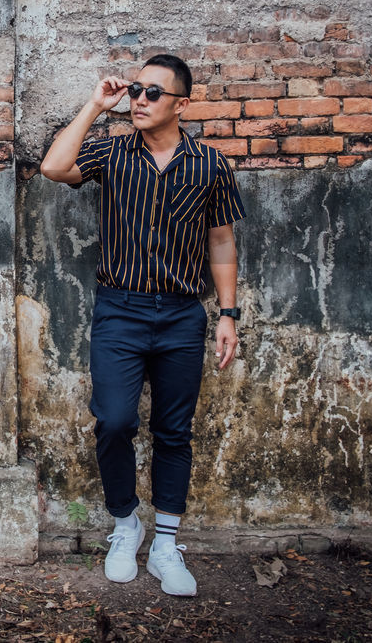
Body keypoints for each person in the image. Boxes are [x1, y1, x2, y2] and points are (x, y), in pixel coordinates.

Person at [39, 53, 245, 596]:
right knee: (113, 420)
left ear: (182, 102)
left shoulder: (209, 165)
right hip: (120, 310)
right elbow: (54, 167)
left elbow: (221, 241)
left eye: (154, 93)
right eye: (135, 90)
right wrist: (94, 104)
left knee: (174, 432)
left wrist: (227, 314)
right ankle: (126, 525)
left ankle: (166, 544)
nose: (140, 100)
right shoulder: (112, 149)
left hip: (181, 314)